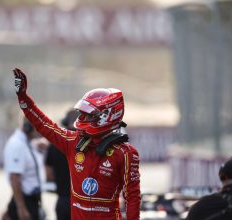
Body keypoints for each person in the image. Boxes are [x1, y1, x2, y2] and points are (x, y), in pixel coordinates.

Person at [12, 68, 141, 220]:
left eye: (89, 114)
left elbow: (132, 198)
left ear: (108, 115)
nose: (82, 118)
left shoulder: (125, 154)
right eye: (83, 113)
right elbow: (44, 125)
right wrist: (23, 98)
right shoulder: (73, 141)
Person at [3, 118, 45, 220]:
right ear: (28, 127)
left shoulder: (27, 142)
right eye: (37, 127)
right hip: (25, 200)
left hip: (33, 200)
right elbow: (14, 178)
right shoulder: (17, 144)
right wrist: (21, 208)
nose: (40, 131)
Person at [45, 109, 79, 220]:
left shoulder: (54, 144)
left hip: (63, 201)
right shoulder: (88, 144)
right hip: (82, 204)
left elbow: (49, 175)